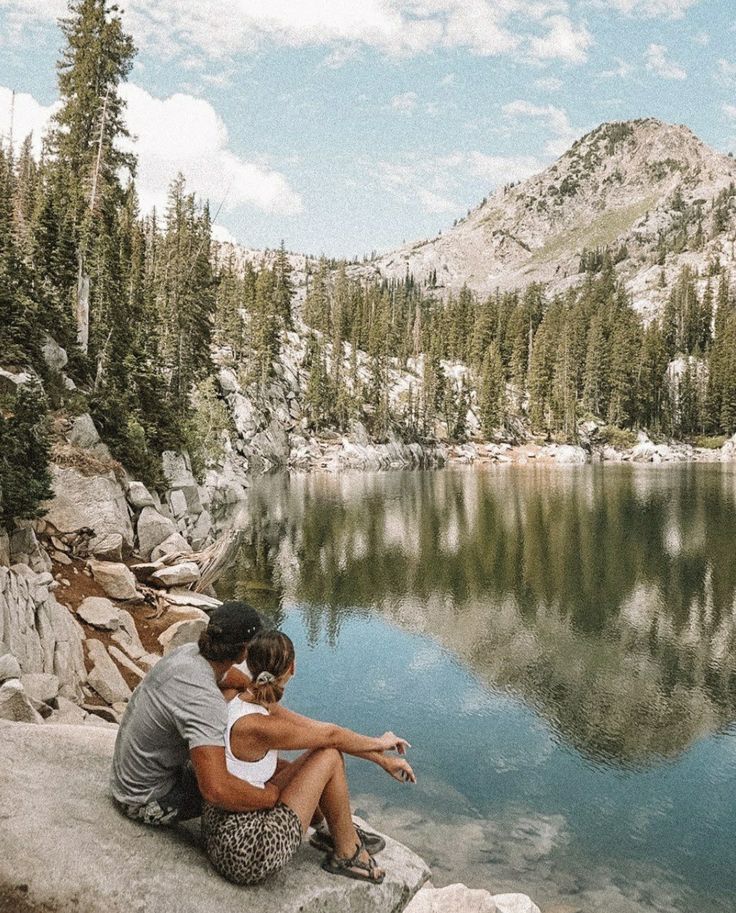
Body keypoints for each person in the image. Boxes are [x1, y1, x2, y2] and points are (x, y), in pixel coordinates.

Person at [202, 629, 416, 887]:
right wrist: (380, 743)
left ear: (250, 663)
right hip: (247, 851)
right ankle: (347, 852)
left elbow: (324, 731)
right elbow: (331, 737)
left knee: (320, 752)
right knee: (329, 757)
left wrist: (383, 760)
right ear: (292, 668)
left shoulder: (242, 699)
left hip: (223, 830)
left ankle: (330, 831)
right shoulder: (258, 726)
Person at [110, 601, 273, 826]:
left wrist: (252, 688)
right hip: (143, 801)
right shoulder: (205, 699)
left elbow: (227, 677)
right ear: (244, 651)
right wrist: (273, 797)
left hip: (128, 781)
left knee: (250, 767)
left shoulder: (189, 654)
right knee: (250, 779)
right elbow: (216, 790)